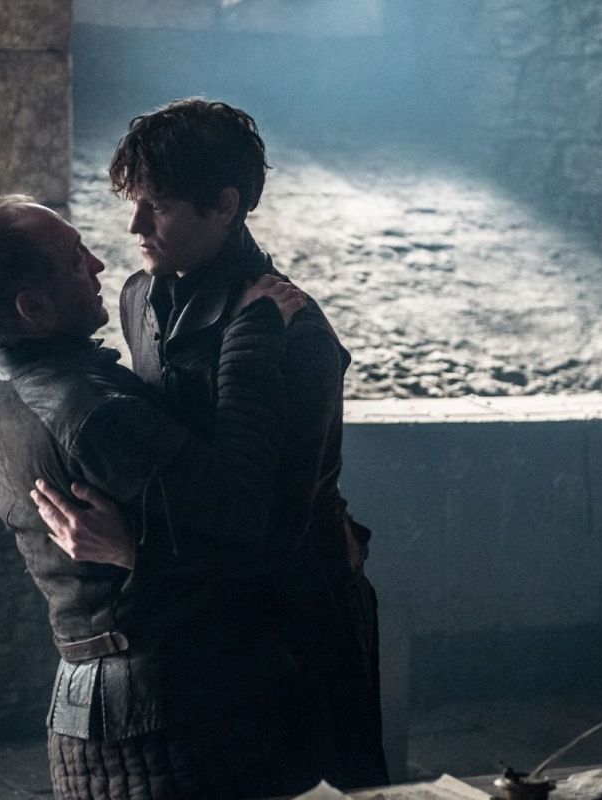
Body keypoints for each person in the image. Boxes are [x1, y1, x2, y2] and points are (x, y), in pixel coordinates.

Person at [36, 98, 390, 792]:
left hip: (296, 619)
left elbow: (277, 531)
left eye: (160, 206)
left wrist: (134, 550)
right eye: (135, 203)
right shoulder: (139, 297)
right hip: (203, 621)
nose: (135, 226)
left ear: (225, 205)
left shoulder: (296, 334)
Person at [0, 194, 308, 800]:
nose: (99, 265)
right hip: (163, 713)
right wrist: (252, 337)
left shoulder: (12, 380)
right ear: (33, 307)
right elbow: (242, 511)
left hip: (111, 702)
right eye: (74, 259)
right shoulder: (93, 413)